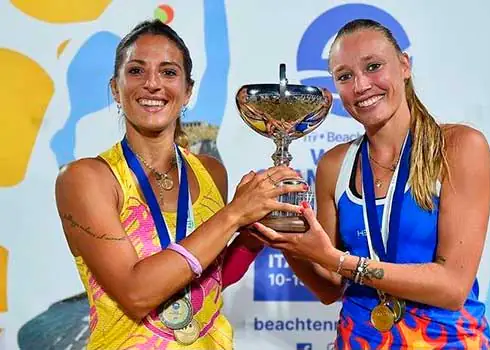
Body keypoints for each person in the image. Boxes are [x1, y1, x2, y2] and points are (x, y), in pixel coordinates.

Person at [55, 19, 304, 350]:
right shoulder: (86, 178)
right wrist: (233, 215)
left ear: (187, 91)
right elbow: (137, 293)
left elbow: (210, 281)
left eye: (169, 72)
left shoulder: (210, 171)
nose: (153, 84)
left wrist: (251, 235)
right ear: (115, 88)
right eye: (137, 71)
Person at [252, 19, 490, 349]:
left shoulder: (458, 147)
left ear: (404, 66)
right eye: (345, 76)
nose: (361, 86)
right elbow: (329, 289)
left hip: (447, 341)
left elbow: (452, 288)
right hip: (359, 340)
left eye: (373, 66)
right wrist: (287, 241)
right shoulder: (335, 164)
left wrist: (339, 261)